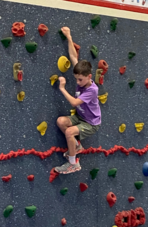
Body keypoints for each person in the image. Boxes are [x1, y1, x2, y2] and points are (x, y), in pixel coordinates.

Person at [54, 27, 102, 174]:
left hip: (91, 124)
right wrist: (69, 36)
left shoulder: (92, 90)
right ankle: (77, 146)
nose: (78, 82)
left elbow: (74, 103)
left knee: (69, 132)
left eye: (80, 80)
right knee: (61, 121)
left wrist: (62, 88)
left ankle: (73, 164)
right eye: (76, 79)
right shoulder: (82, 76)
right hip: (80, 117)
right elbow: (73, 56)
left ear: (89, 76)